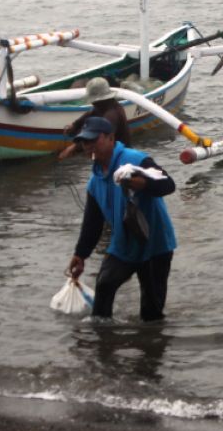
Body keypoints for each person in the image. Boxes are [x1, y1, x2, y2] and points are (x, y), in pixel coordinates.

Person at [66, 116, 177, 322]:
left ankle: (152, 347)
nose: (88, 146)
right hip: (124, 244)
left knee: (151, 313)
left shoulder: (135, 160)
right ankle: (103, 343)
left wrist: (143, 184)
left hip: (155, 245)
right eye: (84, 141)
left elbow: (168, 185)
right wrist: (80, 255)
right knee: (105, 285)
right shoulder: (95, 180)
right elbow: (93, 222)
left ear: (110, 138)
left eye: (93, 140)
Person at [57, 77, 130, 160]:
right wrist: (75, 125)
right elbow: (90, 113)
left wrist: (73, 148)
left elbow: (98, 138)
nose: (92, 103)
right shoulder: (104, 106)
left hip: (119, 157)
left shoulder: (111, 115)